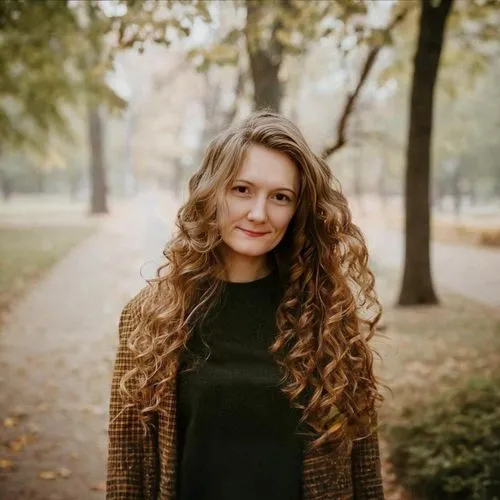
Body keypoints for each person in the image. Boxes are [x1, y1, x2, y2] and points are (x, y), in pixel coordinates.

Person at [106, 110, 385, 500]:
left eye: (280, 197)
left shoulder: (328, 315)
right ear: (213, 192)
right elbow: (128, 469)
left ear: (298, 209)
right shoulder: (150, 316)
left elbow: (364, 467)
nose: (258, 213)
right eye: (242, 190)